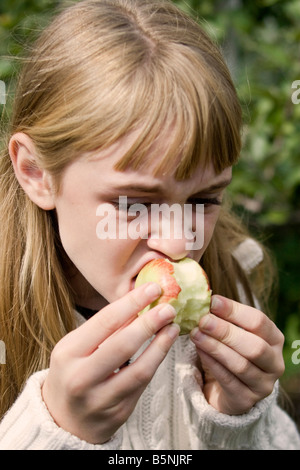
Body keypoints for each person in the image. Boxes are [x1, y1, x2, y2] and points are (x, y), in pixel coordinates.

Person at [0, 0, 299, 450]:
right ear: (36, 173)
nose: (180, 242)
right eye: (133, 202)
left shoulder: (232, 281)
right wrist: (54, 432)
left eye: (205, 199)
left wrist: (238, 424)